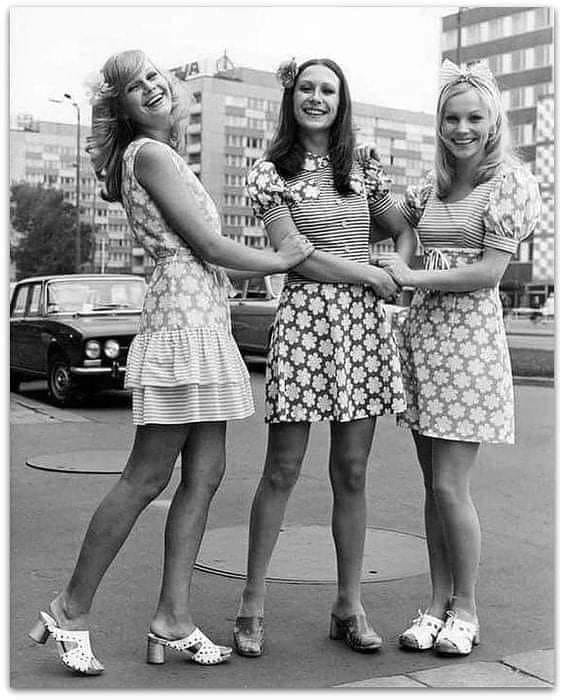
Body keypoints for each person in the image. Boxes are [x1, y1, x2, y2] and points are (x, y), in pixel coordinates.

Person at [28, 49, 313, 675]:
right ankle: (69, 609)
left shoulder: (163, 154)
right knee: (147, 475)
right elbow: (209, 244)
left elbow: (206, 252)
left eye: (154, 76)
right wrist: (284, 259)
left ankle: (173, 619)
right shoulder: (150, 155)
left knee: (206, 471)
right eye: (136, 86)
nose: (153, 88)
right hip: (181, 323)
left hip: (201, 316)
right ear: (123, 107)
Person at [233, 57, 414, 657]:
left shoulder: (362, 165)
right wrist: (370, 273)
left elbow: (400, 227)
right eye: (307, 88)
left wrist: (397, 266)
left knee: (352, 472)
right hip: (305, 324)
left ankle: (348, 604)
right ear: (292, 98)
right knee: (281, 469)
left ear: (342, 100)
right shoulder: (270, 173)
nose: (316, 97)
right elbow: (296, 255)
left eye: (328, 90)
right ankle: (252, 604)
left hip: (361, 327)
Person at [376, 59, 541, 656]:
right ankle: (436, 604)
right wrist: (368, 179)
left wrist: (412, 276)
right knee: (432, 487)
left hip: (469, 344)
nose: (461, 128)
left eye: (473, 118)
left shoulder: (510, 184)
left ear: (492, 123)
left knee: (450, 485)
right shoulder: (433, 185)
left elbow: (488, 273)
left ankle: (466, 609)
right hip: (424, 340)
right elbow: (390, 223)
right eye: (451, 118)